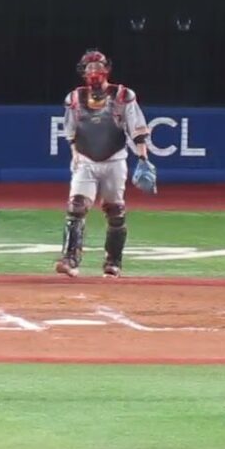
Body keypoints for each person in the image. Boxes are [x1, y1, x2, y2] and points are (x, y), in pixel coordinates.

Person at [55, 48, 157, 278]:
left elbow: (136, 127)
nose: (94, 71)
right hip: (85, 160)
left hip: (114, 160)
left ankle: (113, 262)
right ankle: (70, 259)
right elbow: (71, 130)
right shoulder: (74, 99)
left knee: (115, 210)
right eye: (90, 67)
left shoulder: (123, 96)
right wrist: (74, 153)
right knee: (76, 207)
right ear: (83, 71)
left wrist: (143, 158)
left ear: (106, 69)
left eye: (98, 66)